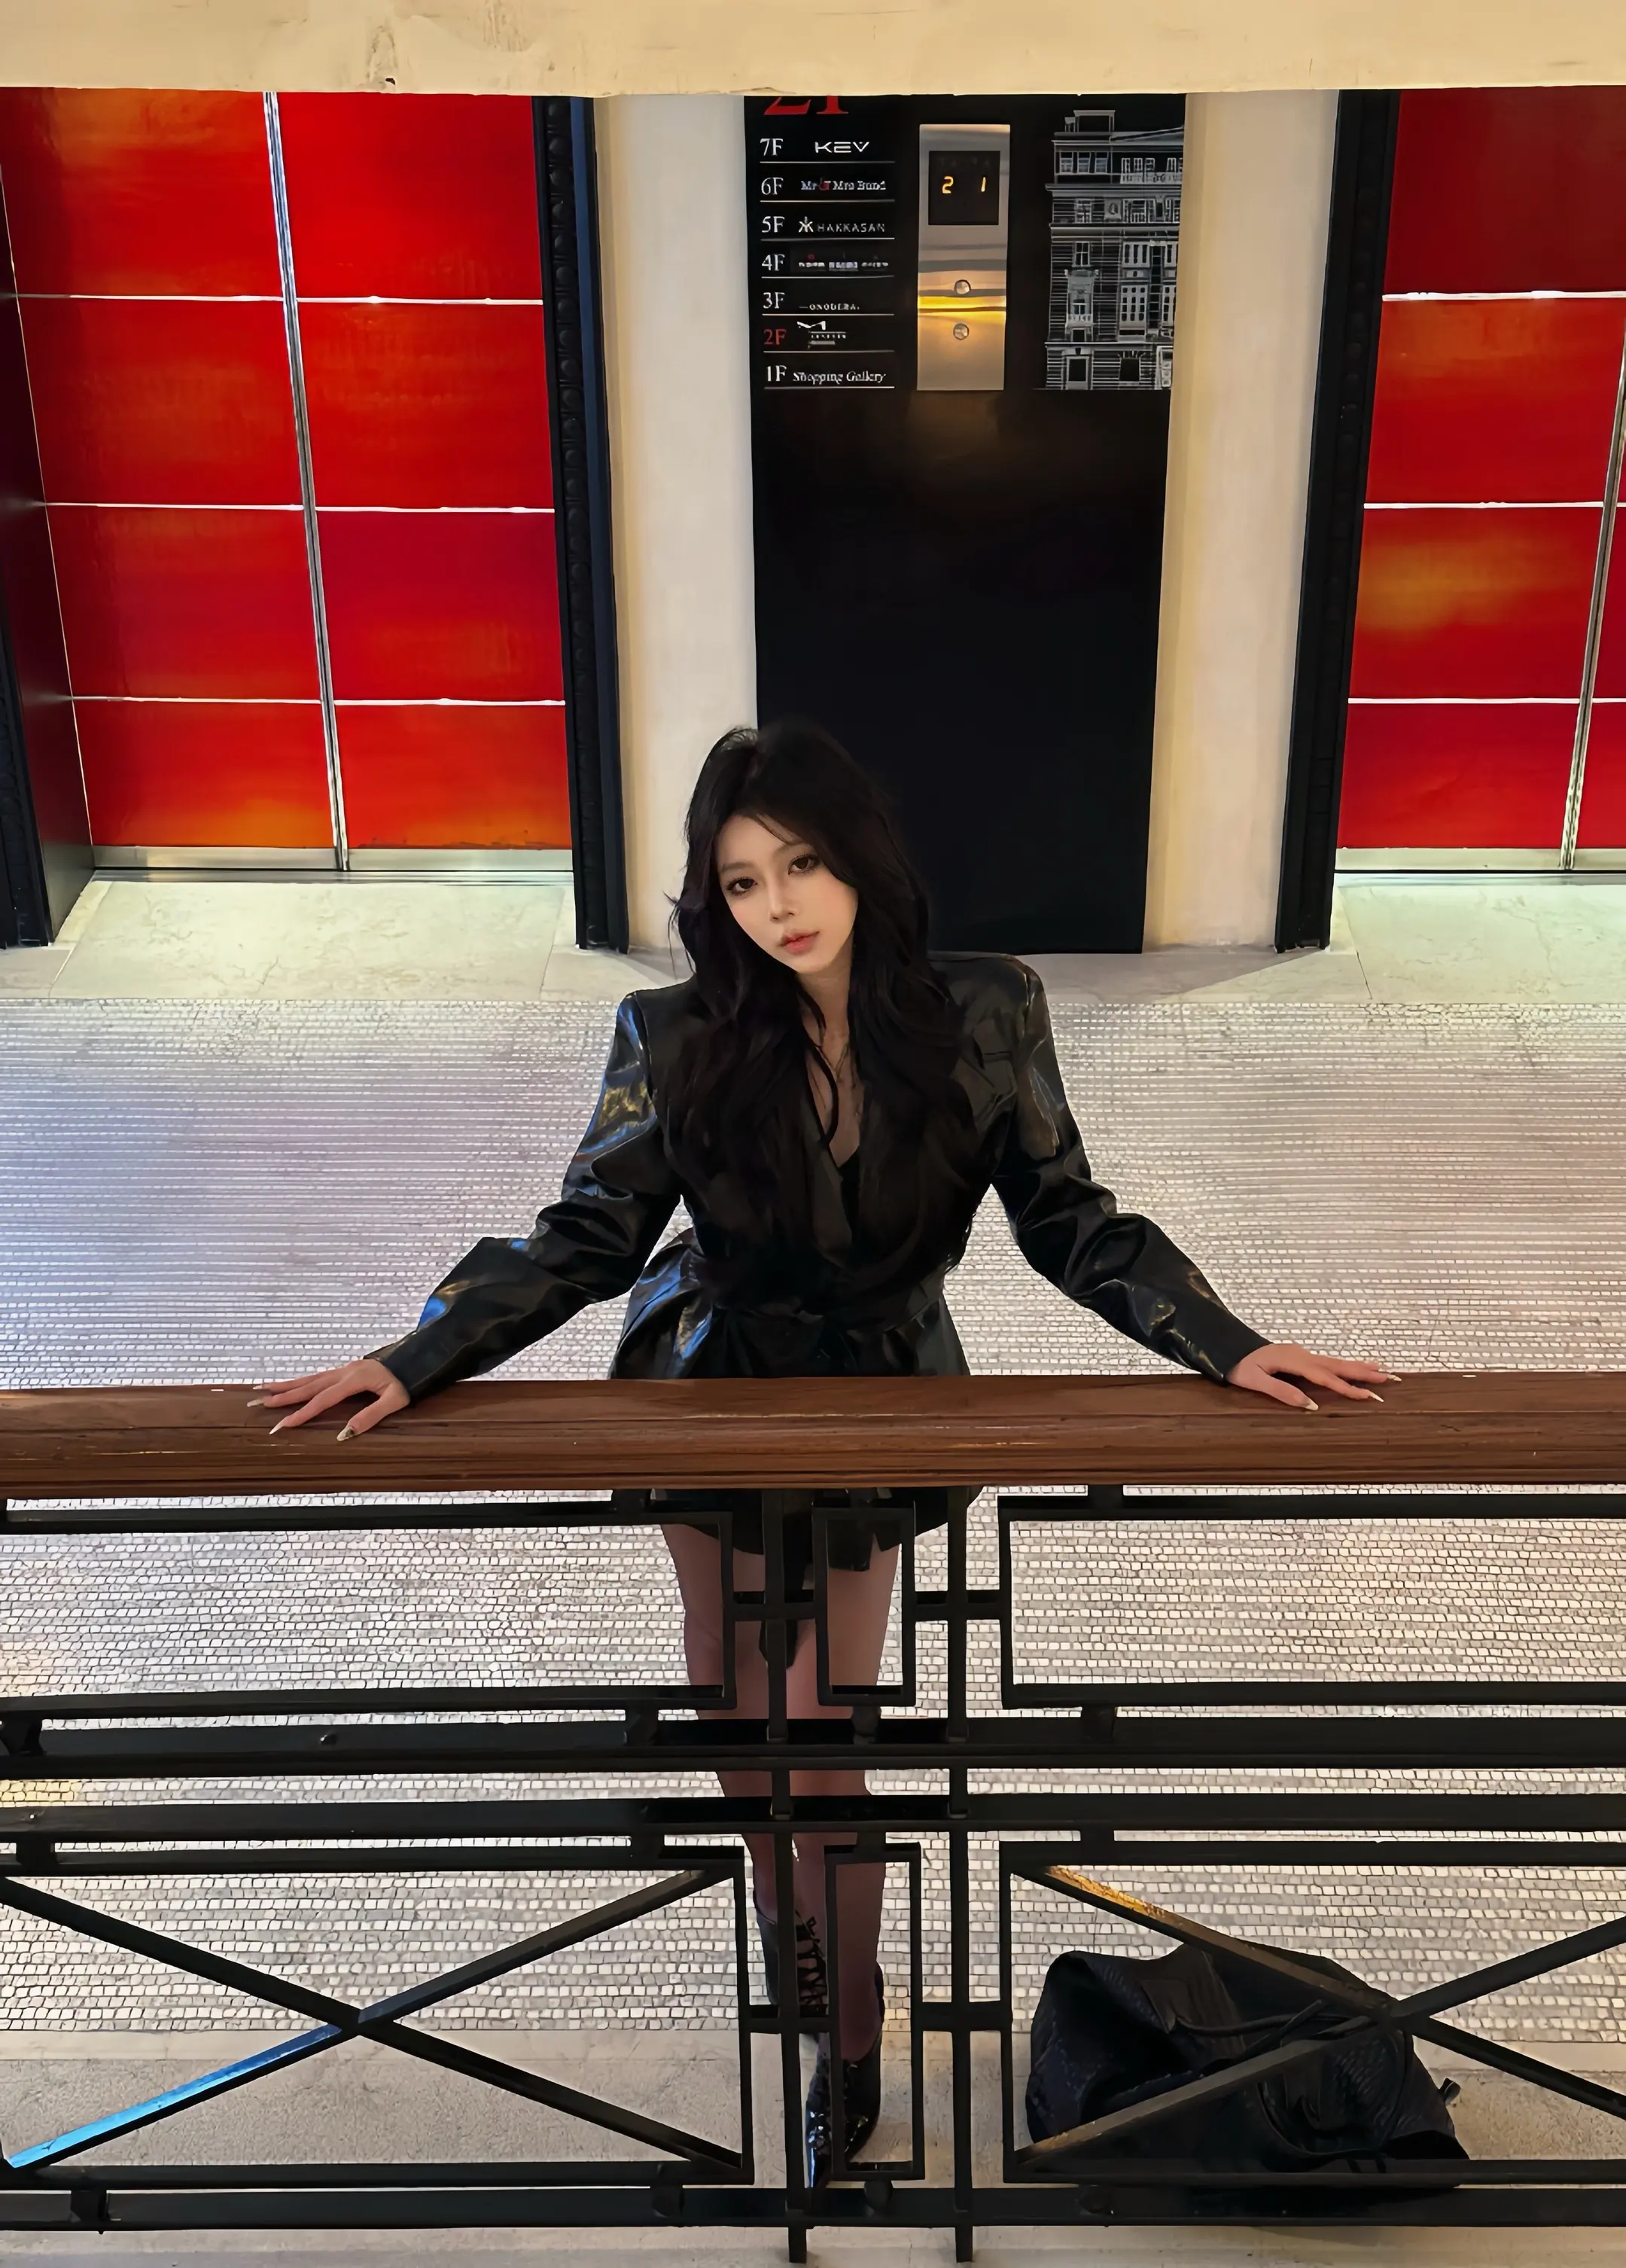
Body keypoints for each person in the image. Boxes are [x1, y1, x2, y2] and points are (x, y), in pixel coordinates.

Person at [258, 721, 1391, 2185]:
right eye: (741, 883)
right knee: (741, 1735)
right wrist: (417, 1353)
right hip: (713, 1383)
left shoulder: (987, 1009)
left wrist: (1218, 1338)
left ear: (861, 858)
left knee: (824, 1740)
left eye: (801, 865)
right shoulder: (674, 1032)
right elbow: (588, 1234)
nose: (779, 905)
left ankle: (848, 2033)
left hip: (879, 1398)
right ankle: (785, 1929)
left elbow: (1068, 1217)